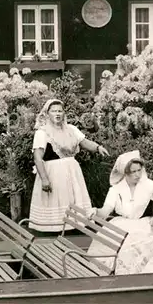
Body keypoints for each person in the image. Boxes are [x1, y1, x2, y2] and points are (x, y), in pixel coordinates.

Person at [30, 98, 109, 232]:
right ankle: (54, 228)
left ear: (64, 113)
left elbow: (84, 142)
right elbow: (38, 157)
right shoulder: (42, 132)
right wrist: (44, 179)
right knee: (57, 199)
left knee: (73, 197)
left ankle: (74, 226)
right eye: (54, 111)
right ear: (47, 113)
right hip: (53, 172)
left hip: (72, 170)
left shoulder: (71, 129)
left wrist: (98, 147)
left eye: (60, 111)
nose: (57, 114)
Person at [85, 150, 153, 268]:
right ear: (125, 173)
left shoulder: (149, 185)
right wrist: (96, 211)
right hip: (121, 225)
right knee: (109, 250)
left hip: (144, 226)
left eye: (139, 170)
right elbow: (105, 211)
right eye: (133, 172)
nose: (138, 174)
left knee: (139, 248)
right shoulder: (115, 189)